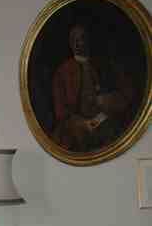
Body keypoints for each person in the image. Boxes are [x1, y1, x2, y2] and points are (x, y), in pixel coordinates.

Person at [51, 24, 134, 152]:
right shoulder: (63, 71)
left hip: (103, 119)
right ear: (70, 44)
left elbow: (123, 94)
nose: (78, 43)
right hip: (74, 126)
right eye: (74, 40)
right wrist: (81, 123)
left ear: (88, 41)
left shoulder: (103, 65)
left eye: (81, 38)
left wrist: (107, 102)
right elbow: (60, 111)